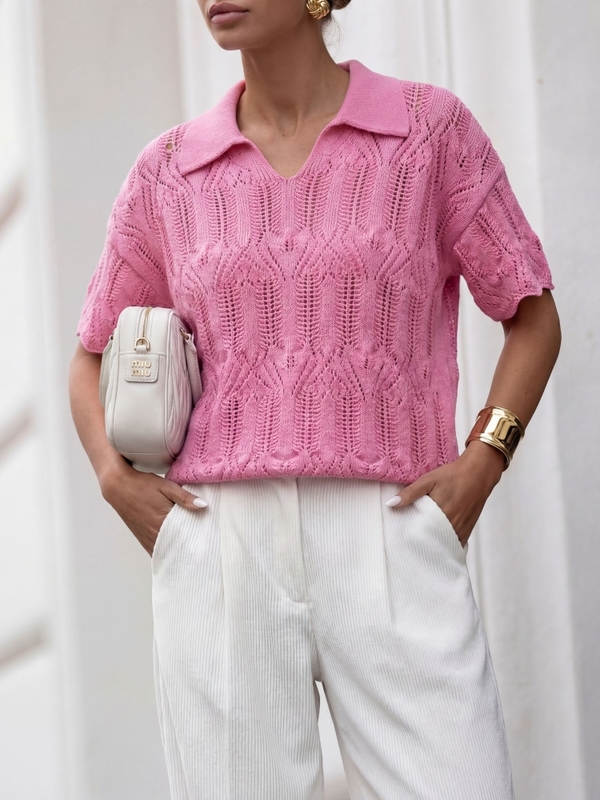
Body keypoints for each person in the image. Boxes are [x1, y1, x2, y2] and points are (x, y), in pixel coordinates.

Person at [69, 0, 561, 798]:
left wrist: (485, 457)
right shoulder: (168, 172)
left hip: (394, 528)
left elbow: (532, 314)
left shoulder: (427, 134)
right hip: (221, 544)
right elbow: (89, 355)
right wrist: (111, 476)